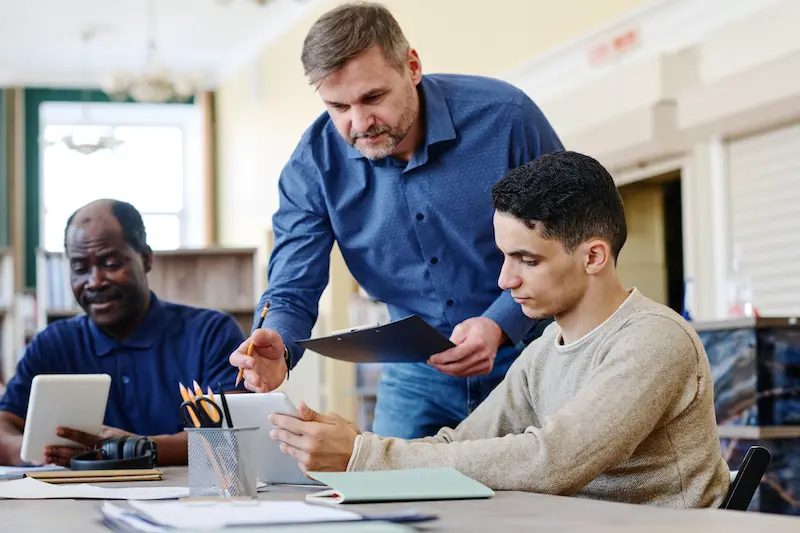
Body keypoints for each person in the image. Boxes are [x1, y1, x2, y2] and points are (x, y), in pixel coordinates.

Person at [254, 151, 731, 508]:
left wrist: (367, 455)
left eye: (527, 260)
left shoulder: (655, 339)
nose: (504, 281)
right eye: (504, 256)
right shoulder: (547, 348)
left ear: (593, 257)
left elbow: (552, 459)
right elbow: (458, 445)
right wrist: (357, 449)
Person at [230, 1, 564, 439]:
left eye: (373, 98)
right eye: (338, 106)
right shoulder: (313, 165)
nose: (360, 123)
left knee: (542, 497)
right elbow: (292, 288)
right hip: (415, 375)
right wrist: (276, 342)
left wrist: (501, 323)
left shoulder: (507, 118)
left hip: (534, 356)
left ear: (412, 66)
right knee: (390, 496)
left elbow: (568, 236)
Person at [0, 199, 246, 467]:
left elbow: (234, 434)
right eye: (80, 268)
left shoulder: (210, 333)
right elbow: (5, 423)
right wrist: (32, 454)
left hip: (189, 502)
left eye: (111, 263)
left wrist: (134, 449)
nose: (95, 281)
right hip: (72, 504)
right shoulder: (52, 344)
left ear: (146, 258)